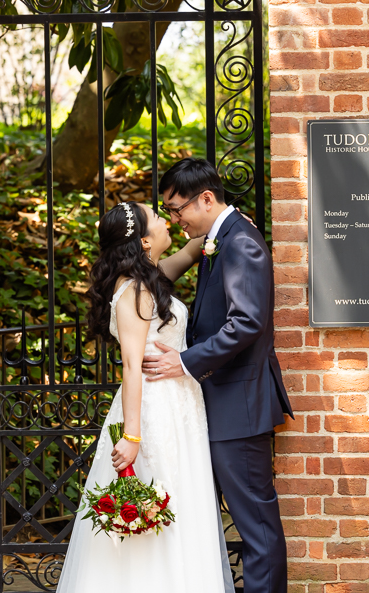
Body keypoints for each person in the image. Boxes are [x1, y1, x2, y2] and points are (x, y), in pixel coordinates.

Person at [56, 201, 234, 593]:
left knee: (182, 502)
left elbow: (190, 252)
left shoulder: (148, 279)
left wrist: (228, 223)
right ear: (144, 241)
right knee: (161, 500)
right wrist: (132, 435)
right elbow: (132, 366)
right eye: (158, 217)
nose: (167, 219)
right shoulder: (136, 291)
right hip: (155, 411)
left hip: (179, 405)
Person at [144, 158, 294, 593]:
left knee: (255, 524)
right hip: (220, 403)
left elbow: (246, 323)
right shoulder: (219, 238)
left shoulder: (240, 242)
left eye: (178, 209)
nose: (175, 218)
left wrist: (186, 361)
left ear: (206, 199)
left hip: (239, 405)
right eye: (168, 212)